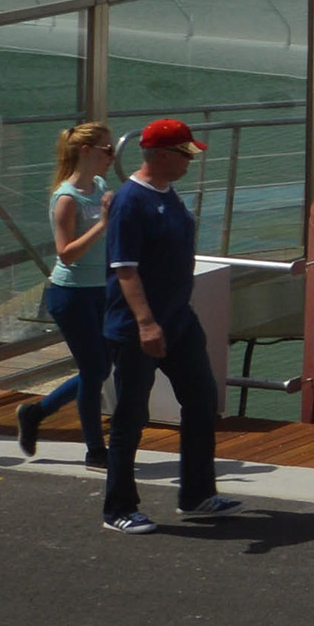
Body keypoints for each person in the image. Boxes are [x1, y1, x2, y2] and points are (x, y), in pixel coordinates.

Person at [100, 116, 232, 532]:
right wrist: (145, 323)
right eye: (184, 154)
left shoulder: (168, 194)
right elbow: (125, 269)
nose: (190, 161)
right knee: (130, 416)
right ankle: (118, 508)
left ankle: (197, 493)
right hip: (139, 328)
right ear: (159, 155)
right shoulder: (130, 202)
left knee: (202, 400)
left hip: (179, 321)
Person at [14, 120, 120, 465]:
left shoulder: (100, 185)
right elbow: (66, 253)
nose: (112, 156)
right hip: (72, 293)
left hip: (101, 288)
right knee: (93, 371)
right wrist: (102, 224)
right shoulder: (66, 198)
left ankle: (37, 412)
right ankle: (95, 449)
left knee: (102, 367)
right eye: (107, 149)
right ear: (86, 151)